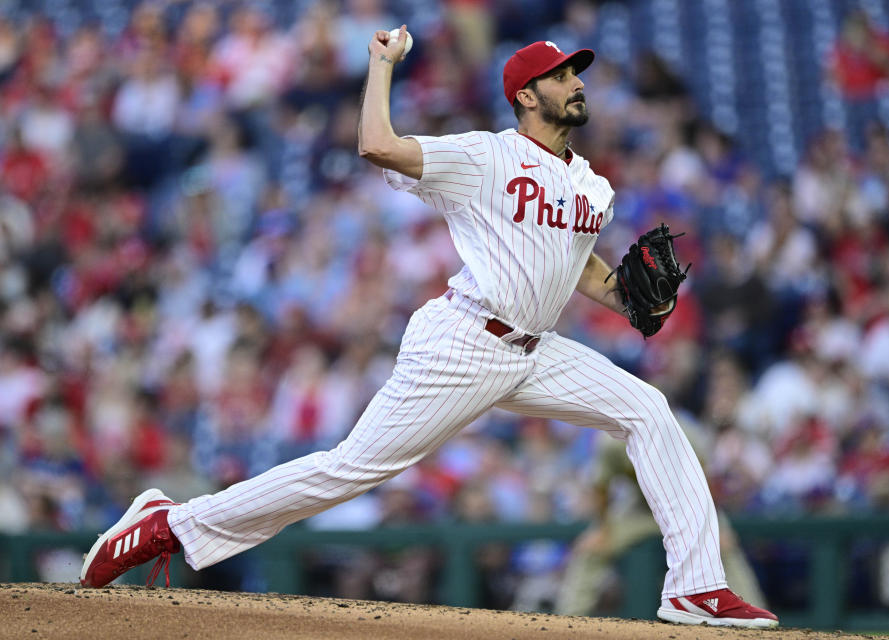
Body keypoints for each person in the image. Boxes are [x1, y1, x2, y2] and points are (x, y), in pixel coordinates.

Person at [79, 28, 778, 628]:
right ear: (526, 95)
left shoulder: (592, 186)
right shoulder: (485, 155)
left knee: (650, 410)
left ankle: (694, 587)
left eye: (576, 73)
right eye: (561, 74)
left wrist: (636, 303)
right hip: (464, 342)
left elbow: (585, 272)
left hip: (536, 351)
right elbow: (376, 144)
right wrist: (383, 64)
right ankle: (172, 525)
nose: (575, 83)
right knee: (350, 471)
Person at [555, 431, 768, 617]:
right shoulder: (612, 440)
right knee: (591, 548)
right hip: (640, 507)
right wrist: (602, 529)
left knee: (723, 547)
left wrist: (713, 528)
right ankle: (563, 624)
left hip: (688, 504)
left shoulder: (684, 433)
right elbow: (602, 486)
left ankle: (755, 622)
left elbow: (706, 483)